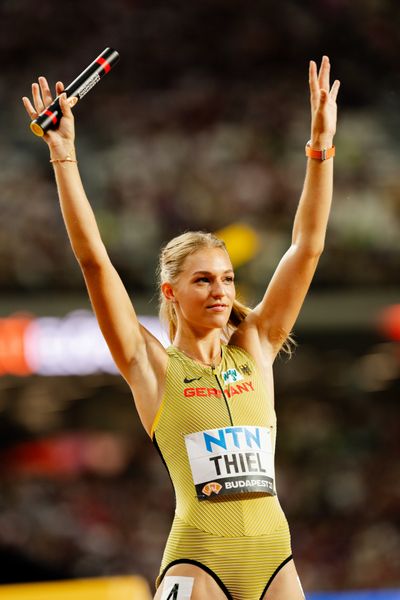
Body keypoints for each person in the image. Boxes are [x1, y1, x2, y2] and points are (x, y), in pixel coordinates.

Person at [22, 55, 340, 600]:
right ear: (171, 292)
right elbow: (95, 261)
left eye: (227, 278)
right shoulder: (149, 365)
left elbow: (306, 247)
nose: (220, 290)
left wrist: (320, 149)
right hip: (200, 561)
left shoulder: (257, 346)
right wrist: (65, 157)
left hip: (275, 558)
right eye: (202, 281)